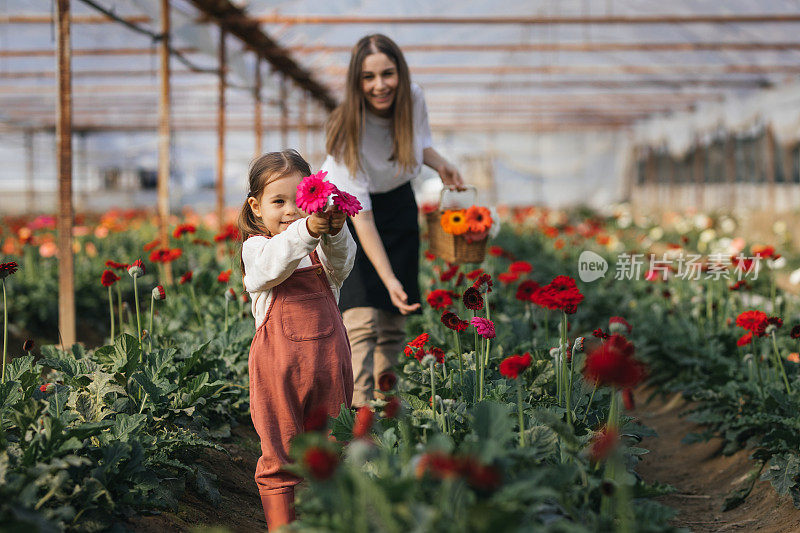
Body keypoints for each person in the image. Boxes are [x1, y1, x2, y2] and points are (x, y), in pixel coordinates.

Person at [321, 34, 464, 408]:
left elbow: (417, 144)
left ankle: (387, 408)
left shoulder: (412, 98)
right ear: (357, 81)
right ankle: (358, 415)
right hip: (352, 214)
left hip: (399, 205)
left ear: (400, 72)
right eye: (369, 77)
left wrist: (441, 164)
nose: (380, 85)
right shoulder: (347, 128)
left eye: (388, 73)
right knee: (362, 319)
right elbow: (362, 218)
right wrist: (387, 277)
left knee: (393, 320)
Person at [238, 149, 356, 530]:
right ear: (256, 208)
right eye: (278, 201)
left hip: (330, 367)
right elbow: (275, 263)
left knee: (332, 448)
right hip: (279, 375)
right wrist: (306, 230)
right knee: (281, 455)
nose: (291, 210)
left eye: (298, 200)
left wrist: (335, 230)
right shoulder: (256, 250)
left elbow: (343, 265)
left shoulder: (320, 251)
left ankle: (326, 521)